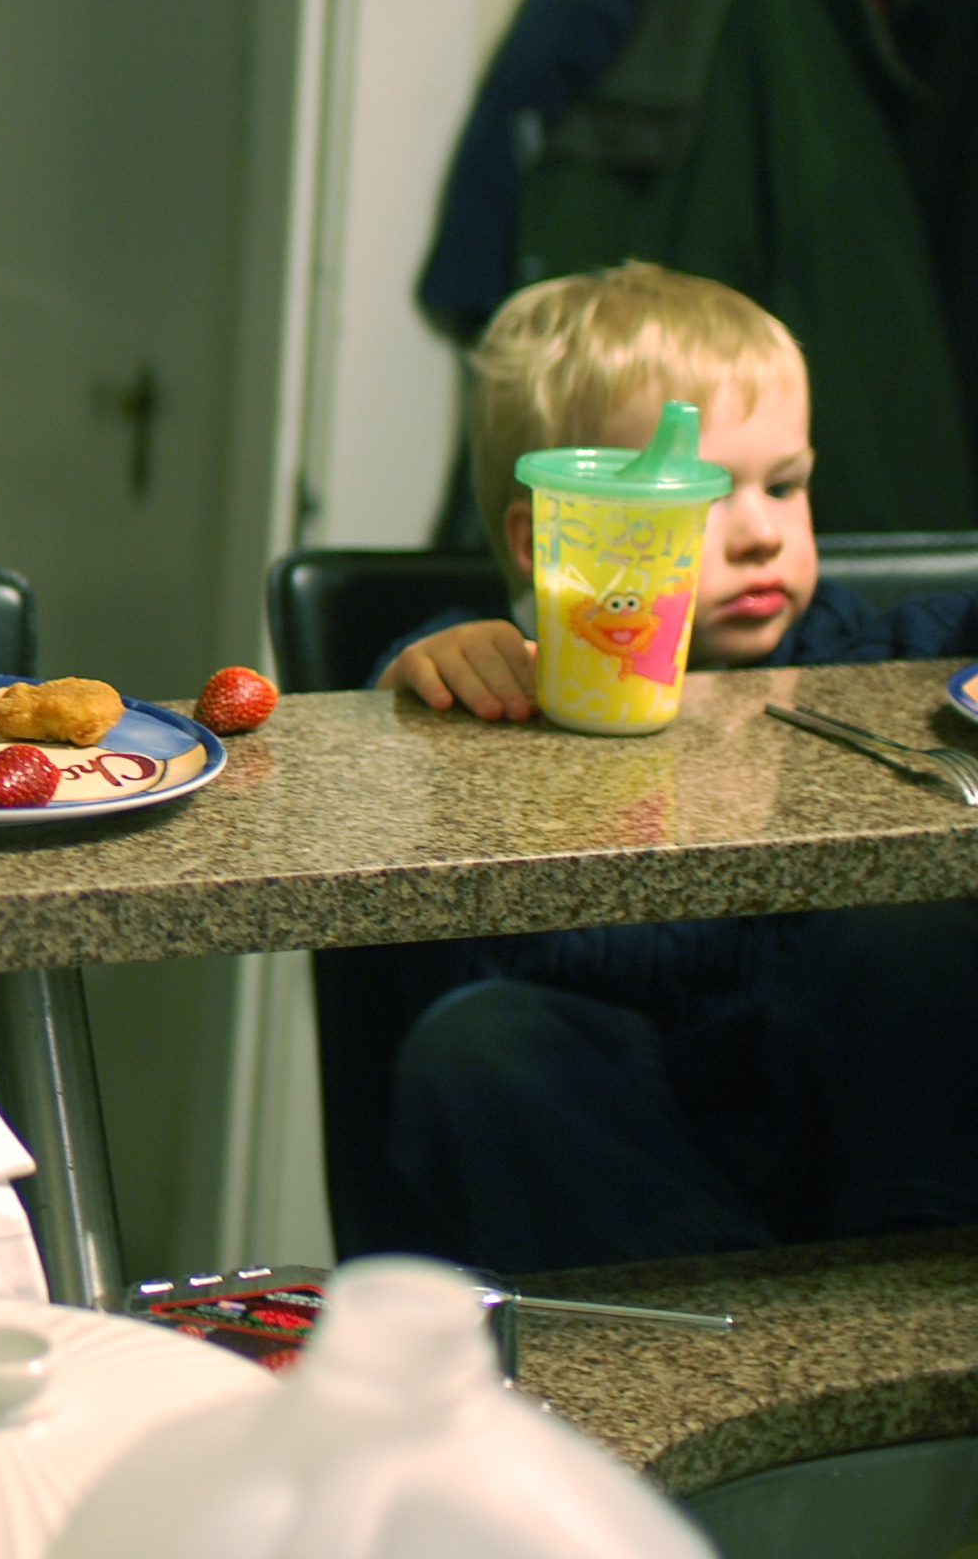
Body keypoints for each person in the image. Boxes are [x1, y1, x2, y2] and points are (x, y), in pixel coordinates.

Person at [377, 261, 978, 1272]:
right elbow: (386, 731)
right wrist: (430, 674)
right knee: (474, 1042)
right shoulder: (507, 673)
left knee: (906, 929)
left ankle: (918, 1271)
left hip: (833, 1104)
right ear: (551, 534)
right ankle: (700, 1321)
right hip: (620, 1135)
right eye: (697, 500)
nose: (761, 533)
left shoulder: (850, 653)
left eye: (785, 485)